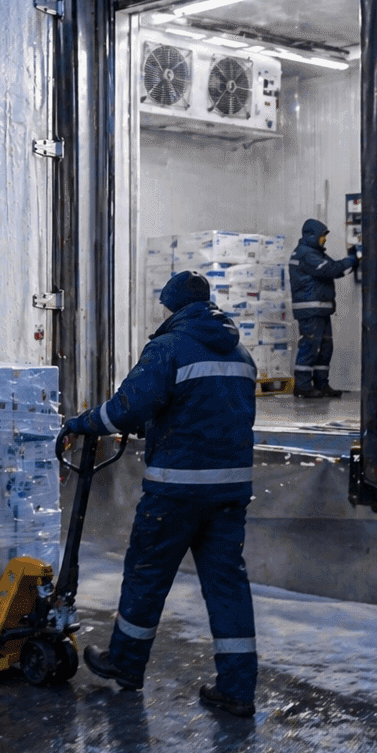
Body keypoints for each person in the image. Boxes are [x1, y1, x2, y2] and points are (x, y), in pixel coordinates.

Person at [59, 270, 258, 718]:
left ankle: (126, 666)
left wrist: (81, 422)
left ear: (172, 307)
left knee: (147, 575)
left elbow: (128, 407)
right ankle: (238, 689)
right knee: (227, 588)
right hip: (230, 494)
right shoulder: (242, 354)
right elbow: (214, 413)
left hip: (177, 492)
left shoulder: (168, 347)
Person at [288, 218, 358, 398]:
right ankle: (302, 386)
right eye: (321, 236)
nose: (324, 240)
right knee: (310, 345)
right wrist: (351, 259)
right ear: (311, 235)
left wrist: (351, 262)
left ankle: (321, 384)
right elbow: (328, 270)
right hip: (310, 309)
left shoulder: (315, 253)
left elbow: (334, 269)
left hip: (321, 309)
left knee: (326, 347)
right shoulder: (306, 254)